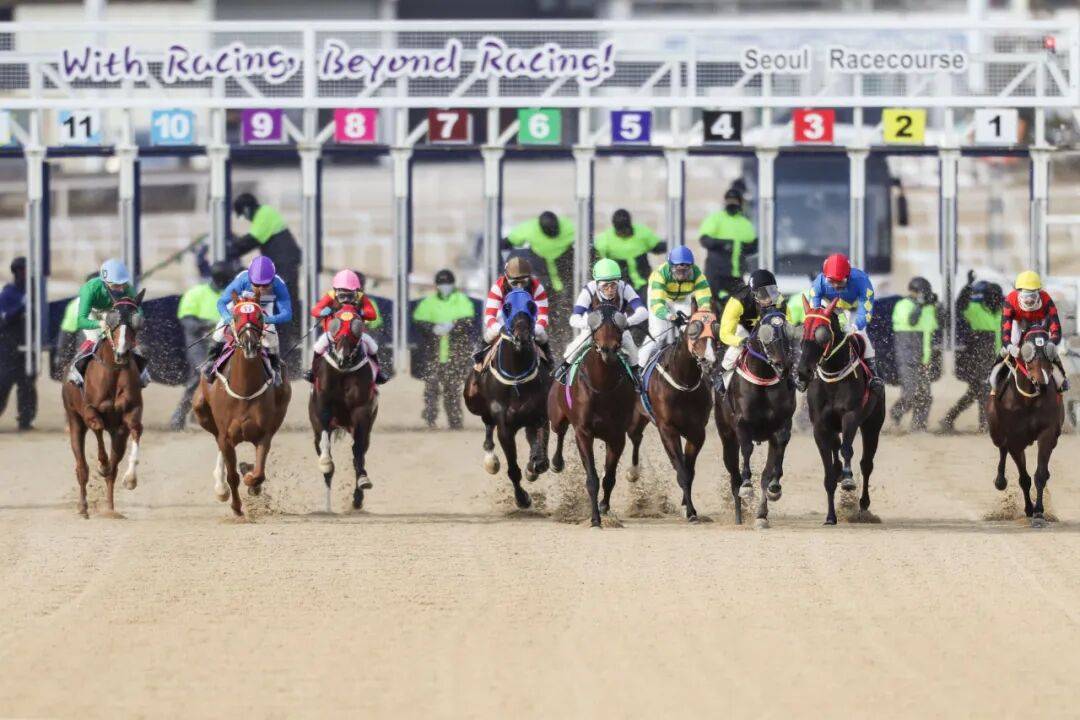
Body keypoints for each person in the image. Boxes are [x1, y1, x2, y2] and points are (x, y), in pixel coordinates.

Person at [228, 193, 302, 372]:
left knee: (283, 309)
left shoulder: (265, 214)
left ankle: (287, 354)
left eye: (243, 215)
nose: (245, 218)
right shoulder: (266, 214)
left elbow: (251, 240)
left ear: (246, 209)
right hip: (283, 265)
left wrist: (230, 249)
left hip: (285, 266)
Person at [553, 258, 649, 388]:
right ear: (597, 284)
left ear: (618, 282)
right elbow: (574, 319)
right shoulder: (589, 290)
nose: (610, 289)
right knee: (578, 344)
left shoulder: (624, 287)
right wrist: (591, 324)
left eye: (613, 285)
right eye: (605, 286)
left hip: (617, 328)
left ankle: (635, 373)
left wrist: (627, 322)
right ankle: (565, 367)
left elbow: (643, 312)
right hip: (594, 329)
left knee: (631, 347)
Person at [205, 256, 292, 386]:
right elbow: (221, 302)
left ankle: (275, 368)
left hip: (263, 306)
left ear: (273, 280)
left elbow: (287, 314)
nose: (261, 288)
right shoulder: (241, 280)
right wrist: (228, 317)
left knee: (271, 333)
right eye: (256, 284)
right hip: (240, 304)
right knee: (221, 329)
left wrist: (269, 319)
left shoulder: (279, 285)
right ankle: (211, 361)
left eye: (265, 285)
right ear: (250, 279)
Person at [170, 261, 234, 430]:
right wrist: (210, 325)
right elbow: (188, 323)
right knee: (202, 373)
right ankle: (180, 415)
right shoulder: (195, 294)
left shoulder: (233, 296)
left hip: (224, 341)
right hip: (198, 342)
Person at [68, 259, 150, 388]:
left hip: (112, 312)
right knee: (96, 339)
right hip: (92, 313)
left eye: (123, 284)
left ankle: (143, 371)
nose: (121, 288)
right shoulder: (89, 289)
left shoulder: (127, 287)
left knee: (125, 338)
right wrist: (99, 324)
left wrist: (137, 319)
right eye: (116, 285)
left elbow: (138, 310)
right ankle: (76, 367)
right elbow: (81, 321)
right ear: (105, 282)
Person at [412, 269, 476, 429]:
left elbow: (467, 319)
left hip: (455, 353)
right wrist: (432, 328)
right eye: (441, 283)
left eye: (447, 283)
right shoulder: (429, 302)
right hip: (434, 352)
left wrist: (453, 326)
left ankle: (455, 422)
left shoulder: (461, 299)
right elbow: (419, 320)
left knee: (452, 388)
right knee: (431, 388)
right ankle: (430, 420)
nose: (444, 286)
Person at [809, 253, 884, 387]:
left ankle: (873, 374)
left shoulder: (862, 280)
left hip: (854, 310)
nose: (836, 286)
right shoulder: (818, 283)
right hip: (830, 308)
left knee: (862, 334)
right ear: (825, 277)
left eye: (840, 282)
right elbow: (814, 311)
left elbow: (865, 310)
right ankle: (808, 371)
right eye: (831, 282)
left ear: (848, 276)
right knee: (817, 335)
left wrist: (855, 326)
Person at [988, 270, 1070, 394]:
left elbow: (1056, 329)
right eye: (1026, 296)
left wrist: (1052, 342)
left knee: (1048, 348)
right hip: (1018, 322)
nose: (1030, 300)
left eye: (1033, 295)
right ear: (1019, 293)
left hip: (1039, 322)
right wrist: (1009, 346)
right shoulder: (1010, 300)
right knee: (1014, 341)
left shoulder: (1046, 299)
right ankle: (994, 374)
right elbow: (1005, 333)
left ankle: (1061, 378)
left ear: (1039, 293)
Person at [941, 276, 1002, 432]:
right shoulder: (974, 308)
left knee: (975, 392)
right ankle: (985, 425)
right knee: (985, 390)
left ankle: (949, 418)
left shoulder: (1003, 312)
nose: (995, 300)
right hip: (976, 357)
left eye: (998, 297)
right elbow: (959, 306)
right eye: (992, 297)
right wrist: (967, 286)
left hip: (996, 358)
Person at [504, 211, 574, 346]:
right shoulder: (529, 229)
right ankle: (550, 341)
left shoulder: (569, 228)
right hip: (544, 275)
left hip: (564, 274)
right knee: (547, 311)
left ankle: (564, 339)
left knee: (566, 311)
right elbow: (509, 241)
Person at [304, 269, 386, 384]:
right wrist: (322, 312)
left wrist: (362, 312)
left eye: (349, 293)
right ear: (336, 289)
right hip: (334, 333)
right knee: (319, 346)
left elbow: (372, 314)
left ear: (356, 290)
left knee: (372, 346)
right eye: (342, 293)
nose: (346, 298)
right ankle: (312, 372)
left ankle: (378, 373)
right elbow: (315, 310)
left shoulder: (361, 297)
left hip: (355, 334)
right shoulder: (330, 296)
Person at [638, 246, 712, 369]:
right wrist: (670, 316)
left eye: (686, 271)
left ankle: (701, 364)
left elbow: (704, 296)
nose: (682, 275)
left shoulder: (697, 273)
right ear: (671, 267)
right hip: (661, 300)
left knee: (691, 330)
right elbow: (657, 304)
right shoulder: (660, 275)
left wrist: (704, 308)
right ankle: (639, 366)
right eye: (678, 271)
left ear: (691, 267)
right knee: (659, 333)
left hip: (681, 299)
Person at [715, 269, 782, 395]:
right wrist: (741, 341)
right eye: (763, 294)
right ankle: (722, 372)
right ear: (754, 293)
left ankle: (793, 376)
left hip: (766, 328)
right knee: (737, 349)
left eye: (771, 291)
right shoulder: (737, 301)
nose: (769, 299)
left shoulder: (778, 299)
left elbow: (786, 322)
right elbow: (725, 334)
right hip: (743, 329)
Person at [889, 277, 941, 431]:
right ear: (915, 291)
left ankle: (919, 427)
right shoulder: (902, 305)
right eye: (923, 293)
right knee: (910, 393)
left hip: (924, 358)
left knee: (925, 396)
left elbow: (934, 327)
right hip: (907, 357)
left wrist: (936, 305)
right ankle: (896, 413)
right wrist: (919, 305)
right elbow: (912, 321)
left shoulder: (927, 308)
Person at [478, 256, 552, 363]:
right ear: (506, 277)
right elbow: (489, 316)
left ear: (529, 277)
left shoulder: (537, 287)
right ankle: (479, 363)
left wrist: (537, 328)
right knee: (490, 334)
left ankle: (549, 362)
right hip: (504, 319)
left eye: (524, 282)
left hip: (529, 321)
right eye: (514, 283)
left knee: (542, 335)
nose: (519, 286)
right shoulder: (498, 287)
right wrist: (500, 329)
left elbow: (543, 315)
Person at [697, 185, 757, 304]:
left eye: (735, 201)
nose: (731, 203)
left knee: (738, 305)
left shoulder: (745, 223)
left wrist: (742, 247)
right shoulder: (715, 219)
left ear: (740, 203)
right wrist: (724, 244)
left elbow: (753, 246)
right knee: (710, 304)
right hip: (715, 274)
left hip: (736, 275)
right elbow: (705, 240)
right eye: (729, 200)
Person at [593, 209, 666, 296]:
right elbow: (596, 259)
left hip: (644, 284)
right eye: (620, 231)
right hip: (620, 286)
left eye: (626, 229)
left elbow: (657, 247)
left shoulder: (642, 233)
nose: (624, 233)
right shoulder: (605, 240)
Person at [0, 257, 35, 430]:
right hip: (8, 347)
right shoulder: (8, 294)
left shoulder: (34, 292)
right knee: (3, 384)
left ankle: (25, 420)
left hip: (27, 347)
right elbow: (4, 318)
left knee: (27, 385)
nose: (27, 274)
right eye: (24, 271)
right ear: (17, 272)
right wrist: (22, 307)